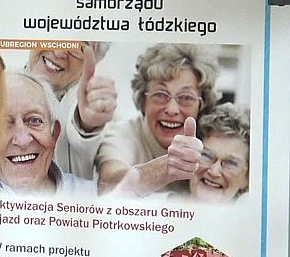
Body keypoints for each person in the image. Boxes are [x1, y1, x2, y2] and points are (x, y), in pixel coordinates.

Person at [94, 43, 220, 198]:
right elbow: (108, 186)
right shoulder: (122, 134)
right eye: (160, 95)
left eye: (186, 98)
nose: (172, 109)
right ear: (143, 101)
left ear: (202, 105)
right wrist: (168, 167)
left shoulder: (211, 140)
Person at [0, 71, 96, 197]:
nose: (23, 140)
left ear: (55, 133)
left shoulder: (95, 197)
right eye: (2, 124)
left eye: (34, 120)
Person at [26, 42, 116, 180]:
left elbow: (83, 140)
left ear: (94, 59)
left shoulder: (99, 113)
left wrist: (87, 126)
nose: (58, 52)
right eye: (55, 32)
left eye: (78, 47)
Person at [185, 103, 250, 203]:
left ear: (246, 178)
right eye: (206, 155)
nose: (214, 172)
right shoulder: (160, 202)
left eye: (231, 163)